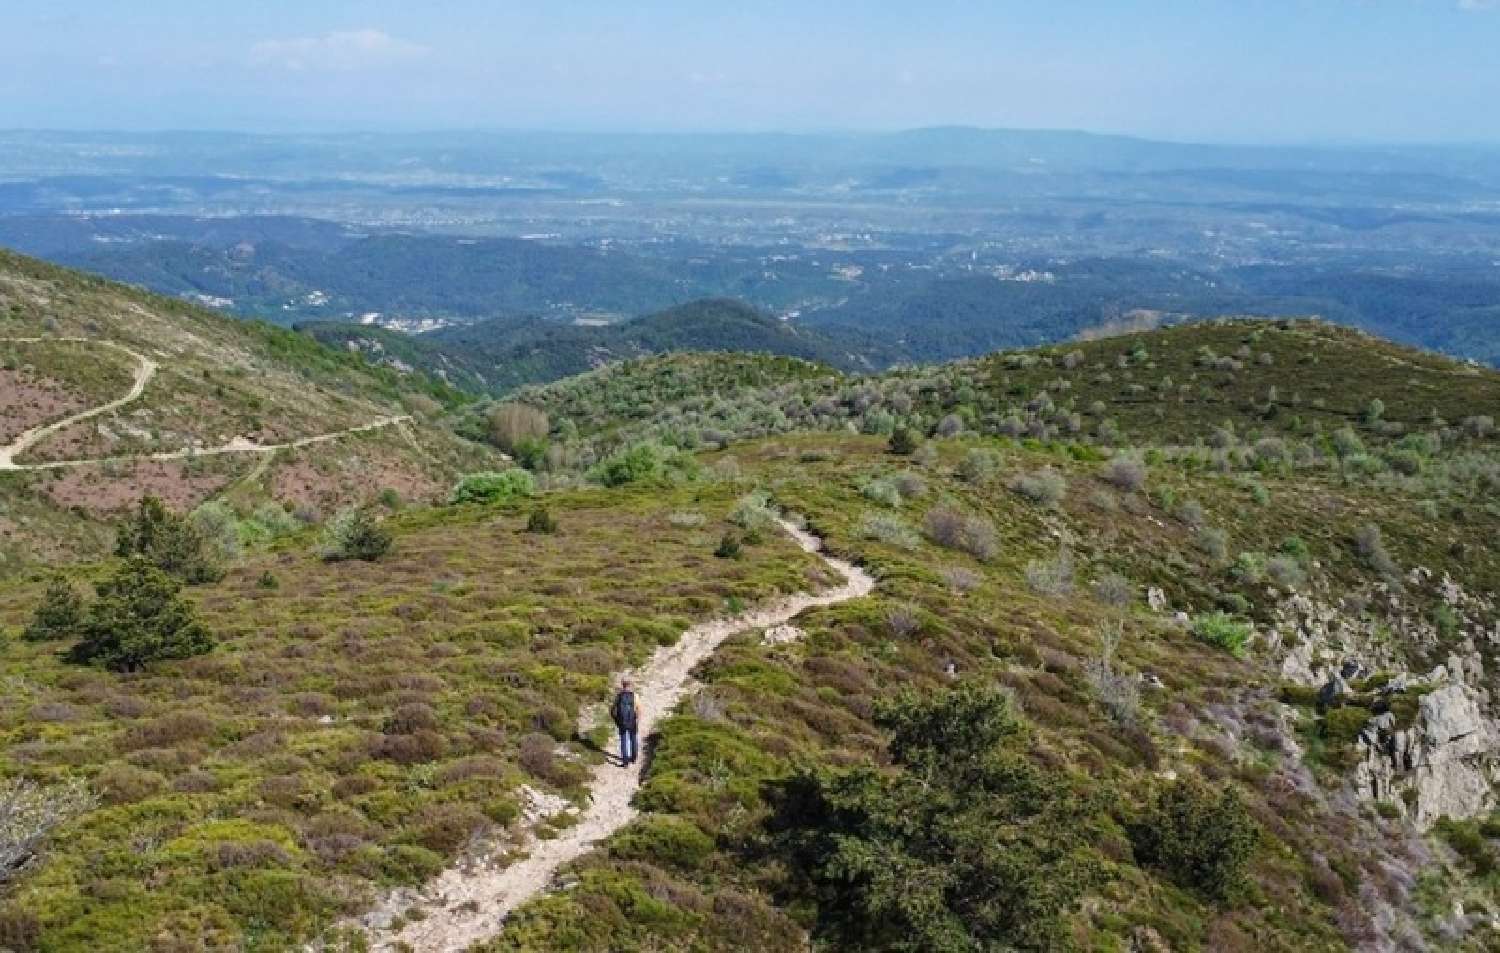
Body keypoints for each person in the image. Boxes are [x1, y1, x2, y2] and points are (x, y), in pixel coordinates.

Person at [610, 679, 640, 767]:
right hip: (632, 721)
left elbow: (612, 710)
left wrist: (616, 720)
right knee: (633, 739)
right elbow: (639, 709)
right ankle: (633, 758)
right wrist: (637, 719)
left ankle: (625, 762)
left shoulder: (618, 696)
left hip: (622, 722)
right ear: (630, 685)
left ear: (622, 685)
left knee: (623, 740)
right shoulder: (635, 696)